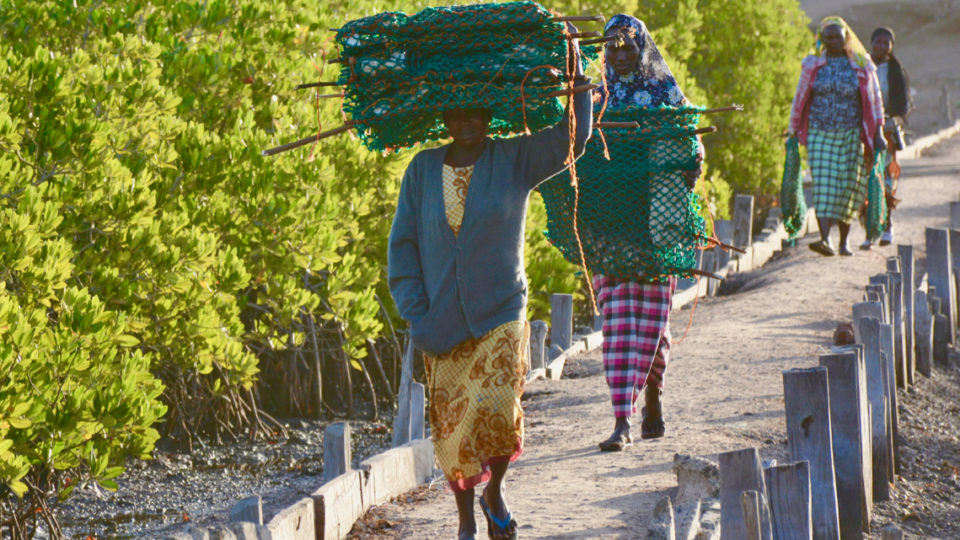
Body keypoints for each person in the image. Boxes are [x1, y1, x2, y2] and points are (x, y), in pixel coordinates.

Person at [387, 28, 593, 540]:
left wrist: (579, 84)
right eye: (456, 116)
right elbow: (403, 246)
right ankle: (463, 522)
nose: (466, 123)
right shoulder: (420, 171)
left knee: (501, 412)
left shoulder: (513, 159)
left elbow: (572, 139)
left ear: (488, 116)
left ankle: (494, 491)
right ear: (444, 120)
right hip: (441, 321)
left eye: (475, 113)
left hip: (501, 309)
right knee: (454, 432)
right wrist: (416, 311)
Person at [590, 14, 703, 452]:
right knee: (617, 317)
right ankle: (622, 419)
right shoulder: (597, 95)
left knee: (654, 318)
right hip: (611, 223)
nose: (619, 55)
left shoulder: (664, 91)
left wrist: (692, 161)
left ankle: (652, 397)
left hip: (658, 222)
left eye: (628, 47)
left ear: (643, 49)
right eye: (612, 48)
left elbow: (692, 139)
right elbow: (577, 141)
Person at [788, 16, 886, 257]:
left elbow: (875, 102)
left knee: (847, 188)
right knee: (823, 185)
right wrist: (792, 131)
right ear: (822, 40)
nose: (833, 41)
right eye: (828, 37)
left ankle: (843, 242)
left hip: (851, 135)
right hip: (819, 134)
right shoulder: (813, 65)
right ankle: (825, 240)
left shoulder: (862, 65)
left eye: (837, 36)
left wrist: (879, 133)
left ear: (846, 38)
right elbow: (799, 98)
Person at [861, 26, 911, 249]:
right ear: (871, 43)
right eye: (878, 42)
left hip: (888, 131)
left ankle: (887, 225)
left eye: (886, 43)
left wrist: (892, 122)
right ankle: (870, 230)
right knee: (865, 181)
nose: (881, 46)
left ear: (891, 46)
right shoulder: (863, 66)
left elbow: (903, 103)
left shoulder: (895, 69)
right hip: (864, 132)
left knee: (886, 180)